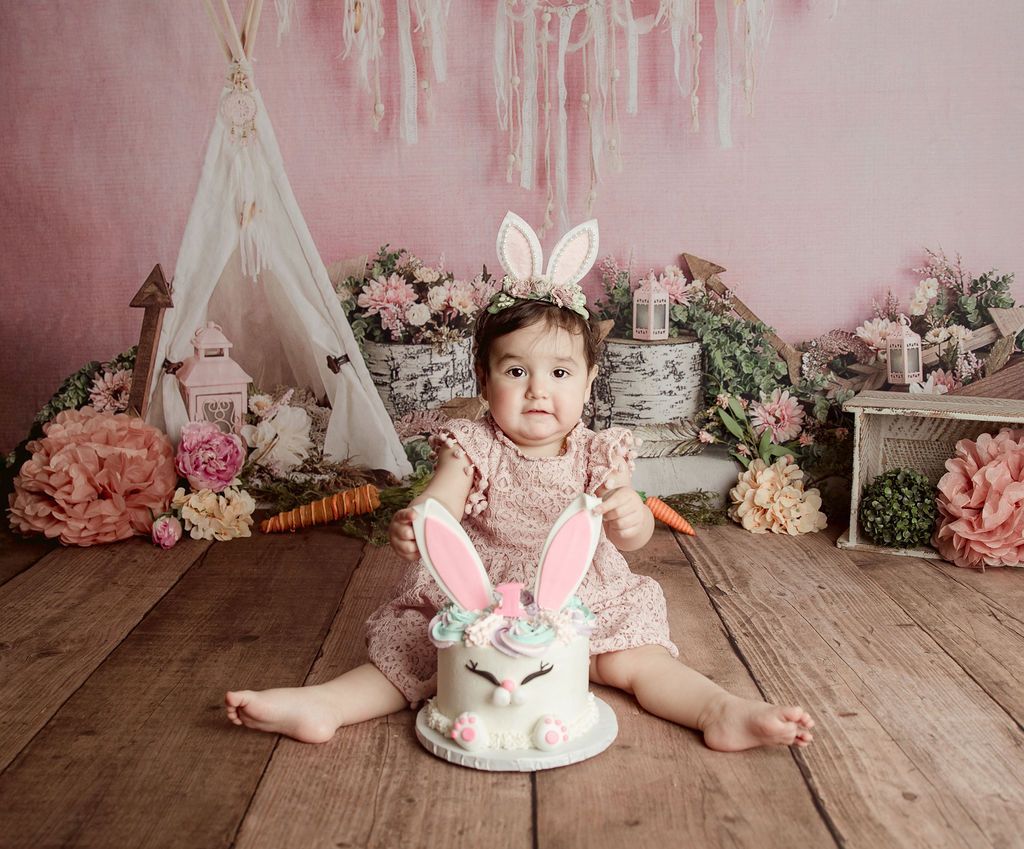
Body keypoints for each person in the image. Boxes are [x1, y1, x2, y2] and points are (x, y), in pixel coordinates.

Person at [225, 263, 815, 752]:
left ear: (589, 382)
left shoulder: (599, 450)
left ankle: (718, 710)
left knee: (638, 659)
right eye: (515, 371)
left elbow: (628, 533)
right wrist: (419, 520)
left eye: (559, 372)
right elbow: (441, 501)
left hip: (580, 593)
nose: (538, 389)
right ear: (484, 380)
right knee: (414, 655)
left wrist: (632, 518)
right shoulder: (471, 446)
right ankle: (324, 705)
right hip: (479, 594)